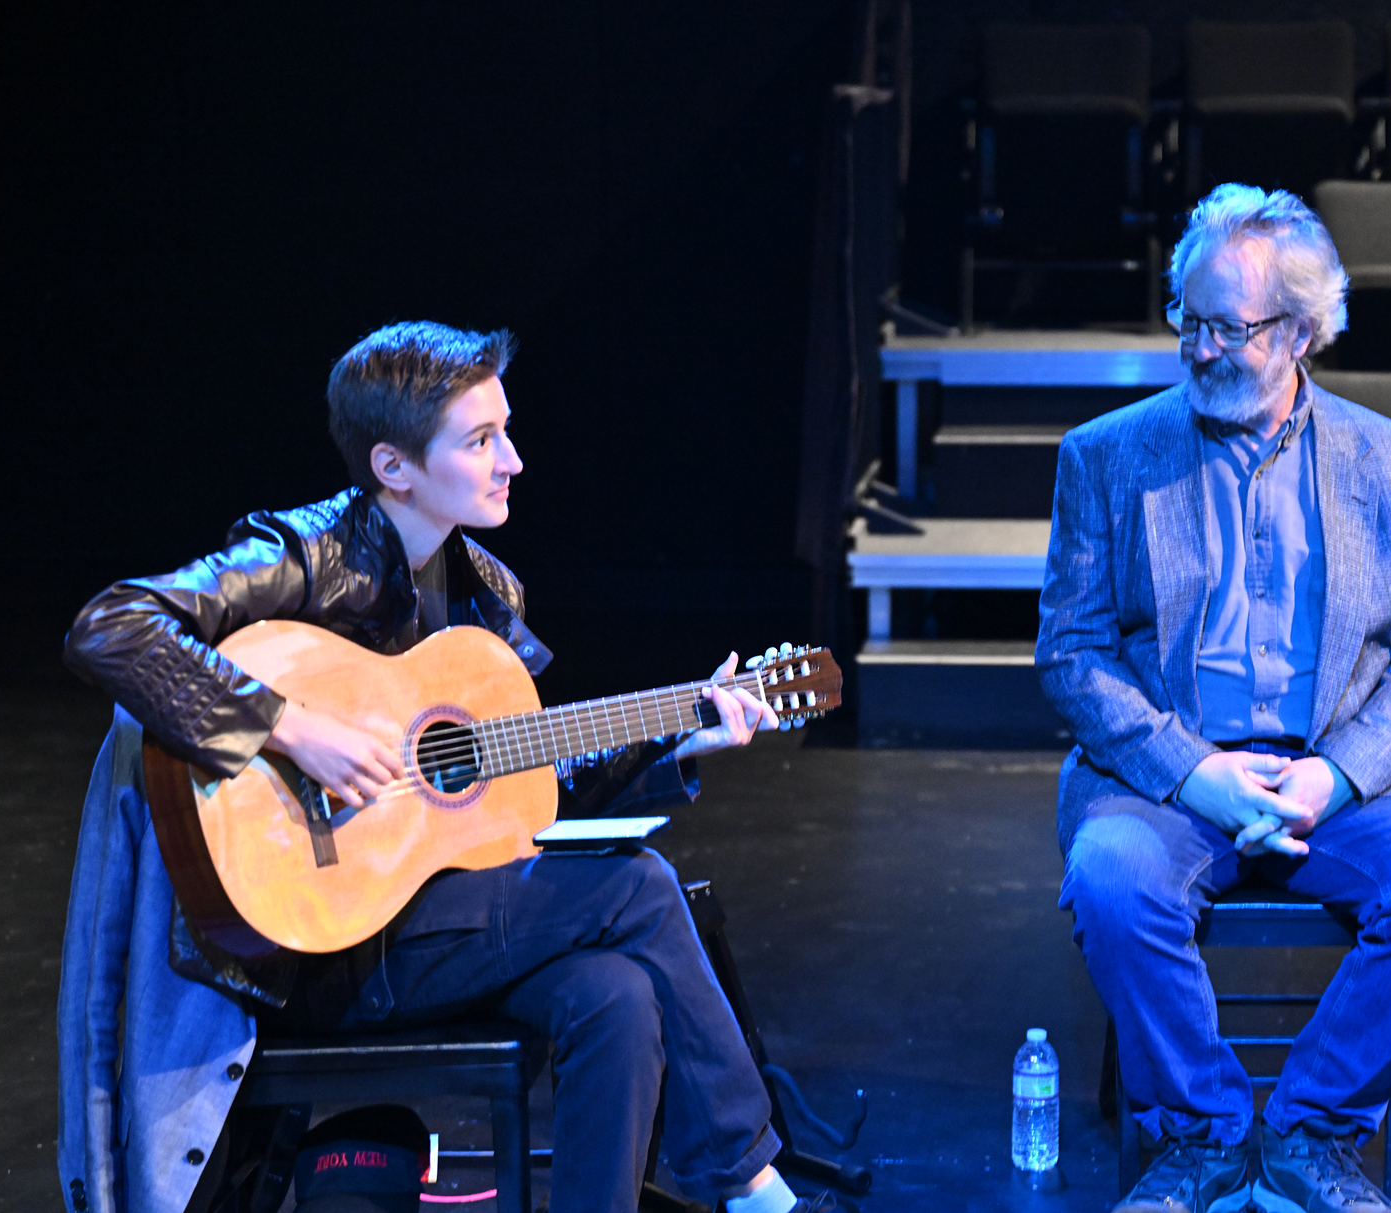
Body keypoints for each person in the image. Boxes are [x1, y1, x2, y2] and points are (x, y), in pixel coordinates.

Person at [57, 321, 834, 1213]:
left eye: (505, 430)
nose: (512, 459)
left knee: (615, 996)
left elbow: (524, 789)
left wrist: (680, 736)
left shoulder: (487, 595)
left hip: (441, 928)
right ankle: (750, 1180)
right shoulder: (304, 554)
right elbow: (110, 628)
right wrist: (290, 725)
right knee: (642, 885)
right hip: (317, 946)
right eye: (480, 440)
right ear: (394, 466)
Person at [1036, 185, 1391, 1213]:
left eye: (1226, 329)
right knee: (1111, 876)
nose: (1198, 349)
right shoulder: (1106, 457)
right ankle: (1201, 1138)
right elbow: (1069, 657)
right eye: (1186, 322)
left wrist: (1330, 778)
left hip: (1335, 779)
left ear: (1298, 331)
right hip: (1167, 779)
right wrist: (1194, 774)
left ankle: (1308, 1134)